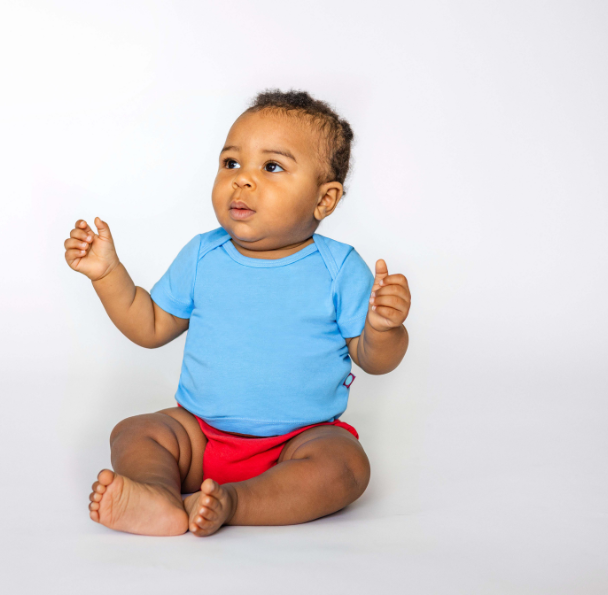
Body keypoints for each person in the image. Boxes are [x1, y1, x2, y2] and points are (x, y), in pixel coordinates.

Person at [63, 89, 411, 537]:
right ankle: (157, 495)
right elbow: (148, 325)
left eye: (272, 167)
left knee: (345, 466)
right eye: (231, 163)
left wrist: (384, 328)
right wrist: (108, 274)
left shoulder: (339, 268)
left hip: (299, 442)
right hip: (201, 437)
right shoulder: (203, 255)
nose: (242, 179)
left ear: (324, 200)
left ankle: (234, 502)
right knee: (135, 432)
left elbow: (374, 359)